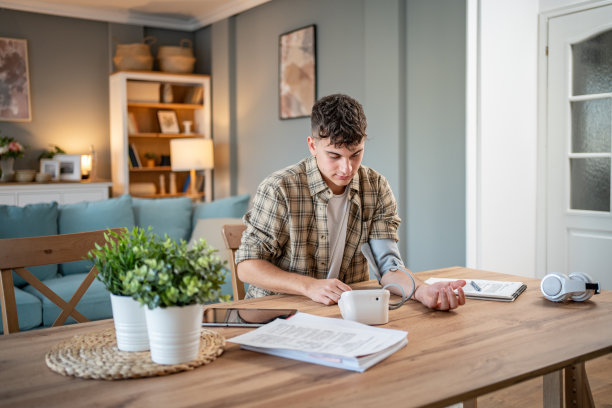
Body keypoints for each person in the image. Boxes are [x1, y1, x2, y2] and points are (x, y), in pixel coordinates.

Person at [235, 94, 466, 311]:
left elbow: (388, 266)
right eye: (334, 156)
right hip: (277, 314)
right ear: (313, 146)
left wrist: (423, 291)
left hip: (343, 315)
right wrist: (309, 286)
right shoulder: (280, 189)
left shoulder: (376, 187)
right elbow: (247, 265)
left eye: (355, 154)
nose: (347, 169)